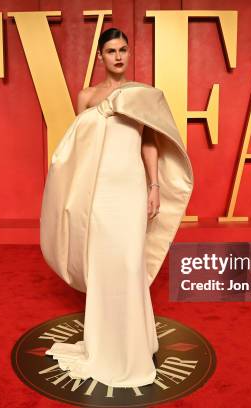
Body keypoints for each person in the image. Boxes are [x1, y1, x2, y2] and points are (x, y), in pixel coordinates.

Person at [40, 28, 193, 388]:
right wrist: (76, 197)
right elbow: (80, 149)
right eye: (111, 50)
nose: (119, 56)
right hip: (99, 192)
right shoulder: (87, 96)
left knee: (129, 263)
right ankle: (104, 346)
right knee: (103, 266)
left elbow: (150, 144)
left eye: (124, 49)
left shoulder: (142, 95)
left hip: (130, 190)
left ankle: (135, 346)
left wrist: (154, 186)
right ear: (101, 57)